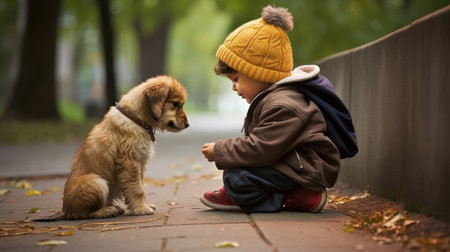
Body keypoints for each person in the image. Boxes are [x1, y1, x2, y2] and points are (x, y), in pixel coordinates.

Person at [200, 5, 357, 213]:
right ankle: (270, 192)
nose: (234, 88)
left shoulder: (283, 105)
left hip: (306, 171)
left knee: (237, 178)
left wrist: (220, 150)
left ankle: (297, 197)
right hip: (293, 165)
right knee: (236, 169)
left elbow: (261, 148)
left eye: (236, 79)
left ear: (258, 72)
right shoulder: (276, 98)